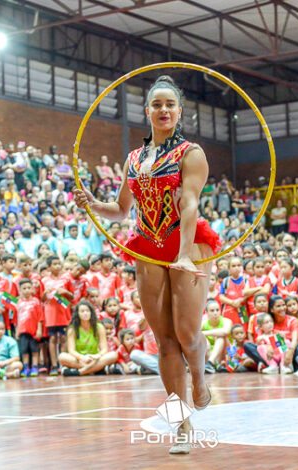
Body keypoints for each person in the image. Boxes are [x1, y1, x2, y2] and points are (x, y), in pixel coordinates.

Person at [73, 75, 221, 455]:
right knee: (164, 341)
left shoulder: (191, 153)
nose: (163, 110)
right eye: (157, 104)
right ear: (147, 111)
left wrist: (184, 254)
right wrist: (93, 203)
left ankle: (200, 378)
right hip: (147, 245)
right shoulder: (134, 159)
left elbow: (190, 204)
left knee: (187, 334)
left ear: (180, 111)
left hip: (186, 241)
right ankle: (181, 425)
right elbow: (122, 209)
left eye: (170, 104)